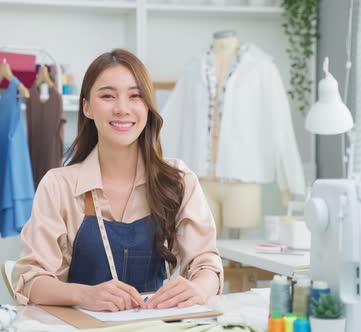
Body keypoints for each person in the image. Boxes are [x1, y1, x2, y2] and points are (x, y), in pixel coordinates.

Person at [12, 49, 223, 312]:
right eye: (108, 96)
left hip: (154, 326)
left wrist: (198, 288)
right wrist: (84, 295)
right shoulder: (58, 185)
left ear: (147, 106)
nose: (122, 109)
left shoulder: (178, 180)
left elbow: (207, 266)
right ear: (87, 107)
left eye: (135, 96)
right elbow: (31, 281)